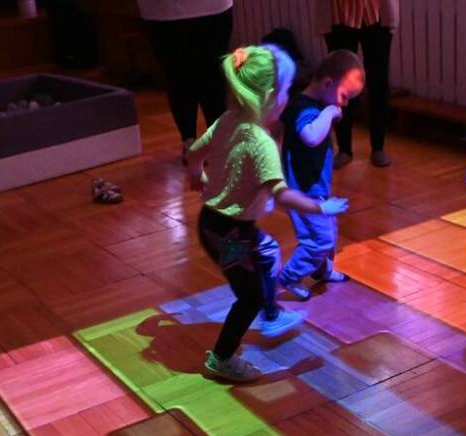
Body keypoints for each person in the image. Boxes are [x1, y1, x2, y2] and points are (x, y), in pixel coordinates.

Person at [187, 44, 350, 382]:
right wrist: (321, 206)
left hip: (214, 223)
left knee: (269, 252)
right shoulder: (261, 144)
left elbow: (194, 151)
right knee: (249, 296)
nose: (289, 98)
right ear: (271, 97)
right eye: (287, 91)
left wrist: (196, 175)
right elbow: (284, 195)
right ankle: (221, 358)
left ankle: (271, 314)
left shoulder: (227, 120)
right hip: (230, 234)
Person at [278, 49, 365, 300]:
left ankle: (322, 270)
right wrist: (328, 113)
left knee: (329, 233)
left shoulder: (317, 104)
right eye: (344, 96)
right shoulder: (303, 107)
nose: (344, 104)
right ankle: (289, 276)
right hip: (303, 191)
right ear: (327, 83)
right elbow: (311, 136)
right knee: (318, 239)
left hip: (317, 186)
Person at [138, 0, 234, 164]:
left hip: (166, 12)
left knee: (182, 78)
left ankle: (195, 142)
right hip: (181, 10)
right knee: (208, 78)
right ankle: (208, 142)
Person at [314, 0, 398, 168]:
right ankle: (344, 148)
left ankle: (378, 147)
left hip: (376, 13)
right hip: (338, 13)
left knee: (378, 82)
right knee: (339, 80)